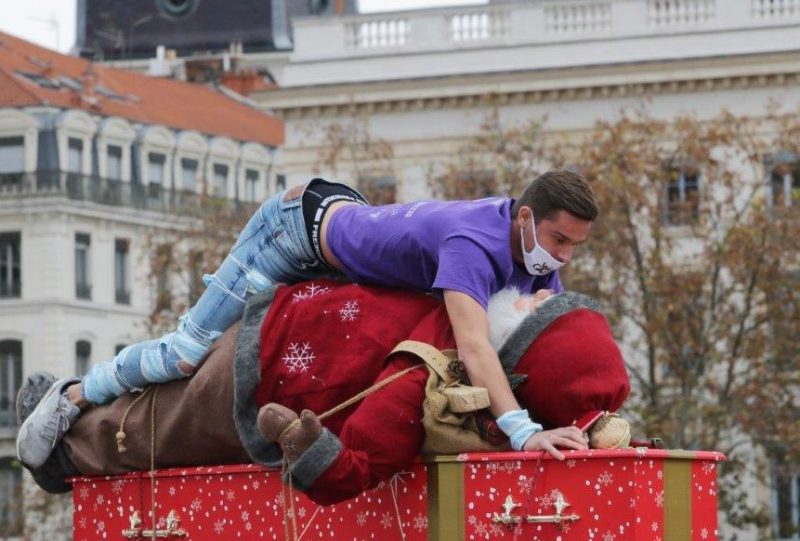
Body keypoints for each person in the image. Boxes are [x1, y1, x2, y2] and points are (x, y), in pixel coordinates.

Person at [17, 170, 597, 470]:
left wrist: (585, 421)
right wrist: (523, 432)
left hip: (341, 227)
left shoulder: (536, 257)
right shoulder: (474, 245)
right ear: (525, 218)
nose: (564, 257)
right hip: (291, 233)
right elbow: (475, 346)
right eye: (559, 240)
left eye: (575, 246)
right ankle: (73, 396)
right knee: (186, 351)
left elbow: (550, 335)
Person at [18, 281, 629, 503]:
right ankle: (71, 409)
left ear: (521, 343)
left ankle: (64, 451)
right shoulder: (467, 308)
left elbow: (368, 453)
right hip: (280, 331)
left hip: (268, 375)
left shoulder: (441, 355)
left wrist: (309, 446)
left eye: (543, 309)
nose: (543, 291)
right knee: (165, 380)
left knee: (165, 420)